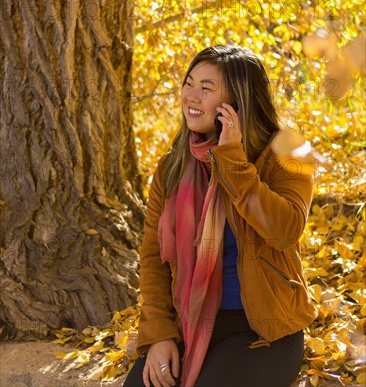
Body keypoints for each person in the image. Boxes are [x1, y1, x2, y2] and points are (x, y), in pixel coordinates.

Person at [123, 44, 317, 387]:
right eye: (189, 83)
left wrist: (232, 159)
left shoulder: (288, 154)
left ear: (238, 101)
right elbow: (153, 258)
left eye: (206, 88)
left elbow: (284, 231)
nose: (190, 96)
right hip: (191, 324)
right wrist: (159, 336)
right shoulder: (173, 167)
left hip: (265, 329)